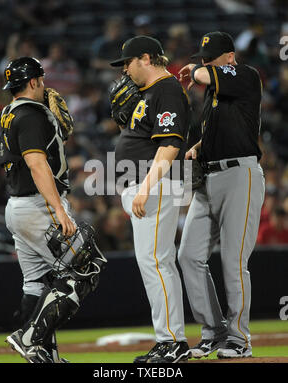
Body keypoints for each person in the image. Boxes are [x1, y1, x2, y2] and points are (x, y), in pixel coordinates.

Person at [0, 57, 99, 363]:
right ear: (33, 82)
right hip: (38, 206)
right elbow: (37, 163)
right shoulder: (30, 114)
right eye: (41, 79)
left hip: (17, 206)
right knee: (86, 268)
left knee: (36, 284)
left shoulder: (8, 113)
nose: (45, 84)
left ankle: (45, 356)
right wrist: (59, 211)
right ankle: (29, 338)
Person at [177, 31, 265, 359]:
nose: (205, 63)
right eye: (203, 58)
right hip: (209, 180)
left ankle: (240, 340)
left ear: (229, 57)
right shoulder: (214, 99)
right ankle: (214, 330)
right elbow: (224, 131)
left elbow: (205, 75)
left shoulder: (245, 76)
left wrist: (196, 70)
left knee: (233, 260)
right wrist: (197, 148)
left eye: (211, 58)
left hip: (240, 176)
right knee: (188, 255)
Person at [110, 35, 192, 363]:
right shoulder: (152, 92)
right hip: (146, 184)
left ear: (145, 58)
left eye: (127, 63)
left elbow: (170, 144)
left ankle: (172, 341)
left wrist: (144, 187)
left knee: (156, 262)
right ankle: (168, 339)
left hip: (156, 185)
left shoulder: (167, 88)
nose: (125, 71)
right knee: (154, 262)